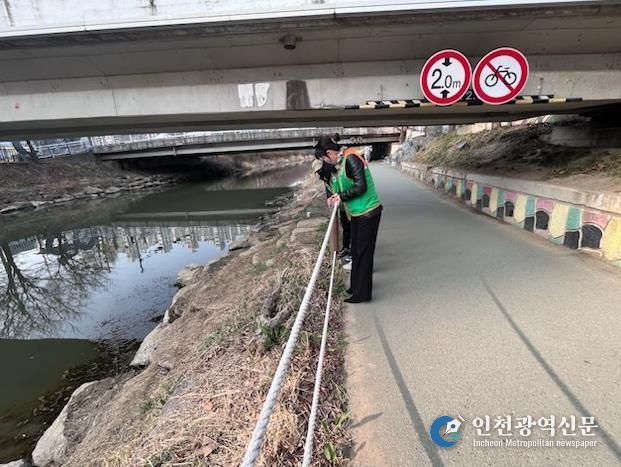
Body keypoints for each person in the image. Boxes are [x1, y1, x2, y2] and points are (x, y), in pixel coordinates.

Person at [315, 134, 382, 303]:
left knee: (364, 254)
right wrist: (334, 196)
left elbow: (361, 186)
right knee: (356, 252)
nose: (325, 162)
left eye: (324, 158)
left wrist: (341, 196)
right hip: (357, 213)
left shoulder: (351, 158)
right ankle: (355, 288)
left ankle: (362, 294)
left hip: (369, 211)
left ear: (329, 153)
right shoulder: (340, 163)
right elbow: (339, 186)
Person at [312, 154, 352, 261]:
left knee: (353, 228)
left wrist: (339, 196)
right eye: (317, 172)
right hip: (342, 206)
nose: (319, 173)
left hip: (350, 205)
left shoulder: (335, 173)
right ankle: (346, 248)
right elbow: (328, 190)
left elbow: (344, 187)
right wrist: (329, 198)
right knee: (346, 227)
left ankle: (353, 252)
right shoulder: (325, 178)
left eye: (320, 170)